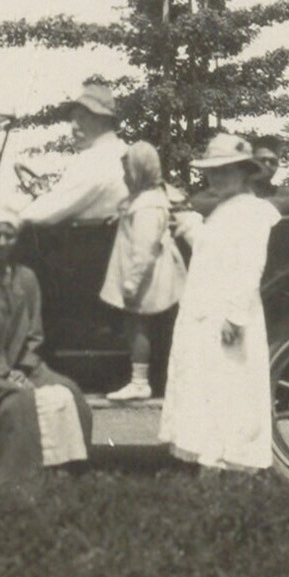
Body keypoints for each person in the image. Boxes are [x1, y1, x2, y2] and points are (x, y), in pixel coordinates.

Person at [159, 135, 281, 473]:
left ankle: (232, 461)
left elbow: (251, 266)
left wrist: (235, 316)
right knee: (206, 384)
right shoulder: (224, 210)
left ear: (245, 173)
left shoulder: (253, 212)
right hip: (205, 310)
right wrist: (189, 223)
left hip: (227, 312)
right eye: (212, 171)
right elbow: (211, 251)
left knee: (231, 385)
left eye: (226, 171)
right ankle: (210, 461)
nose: (217, 178)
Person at [0, 204, 93, 479]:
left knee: (69, 391)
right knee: (22, 403)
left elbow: (34, 334)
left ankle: (67, 468)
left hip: (24, 366)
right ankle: (23, 475)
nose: (2, 242)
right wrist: (5, 372)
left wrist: (23, 368)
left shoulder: (27, 278)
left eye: (9, 236)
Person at [100, 141, 187, 402]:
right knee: (139, 325)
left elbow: (144, 249)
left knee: (138, 325)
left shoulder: (148, 205)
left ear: (140, 171)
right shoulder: (145, 199)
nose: (125, 177)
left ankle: (140, 382)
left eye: (128, 171)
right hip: (148, 273)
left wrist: (132, 283)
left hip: (148, 276)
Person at [18, 82, 129, 225]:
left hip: (91, 238)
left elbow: (45, 212)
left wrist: (7, 220)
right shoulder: (122, 152)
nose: (74, 126)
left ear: (103, 120)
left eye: (81, 118)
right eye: (72, 119)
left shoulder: (97, 159)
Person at [188, 134, 289, 217]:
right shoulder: (224, 190)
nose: (267, 165)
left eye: (272, 162)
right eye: (262, 160)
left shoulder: (281, 193)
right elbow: (195, 204)